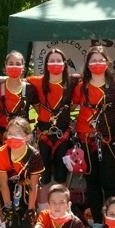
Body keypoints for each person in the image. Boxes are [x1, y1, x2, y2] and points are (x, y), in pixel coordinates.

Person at [72, 46, 115, 224]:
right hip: (86, 142)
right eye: (93, 60)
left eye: (100, 59)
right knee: (92, 184)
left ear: (107, 62)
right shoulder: (81, 86)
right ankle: (96, 222)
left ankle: (114, 220)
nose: (97, 63)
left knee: (110, 184)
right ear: (87, 64)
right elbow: (70, 107)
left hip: (108, 141)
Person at [32, 48, 79, 210]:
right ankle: (43, 211)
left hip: (63, 135)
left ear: (65, 64)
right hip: (43, 134)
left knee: (61, 175)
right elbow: (16, 80)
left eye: (59, 60)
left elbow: (91, 79)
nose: (55, 64)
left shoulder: (72, 82)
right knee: (42, 176)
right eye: (51, 61)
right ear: (45, 65)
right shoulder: (37, 81)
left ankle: (64, 210)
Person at [0, 51, 37, 142]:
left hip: (23, 137)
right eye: (11, 63)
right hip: (2, 136)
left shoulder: (30, 89)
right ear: (5, 66)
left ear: (23, 68)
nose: (14, 66)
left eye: (18, 64)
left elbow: (41, 111)